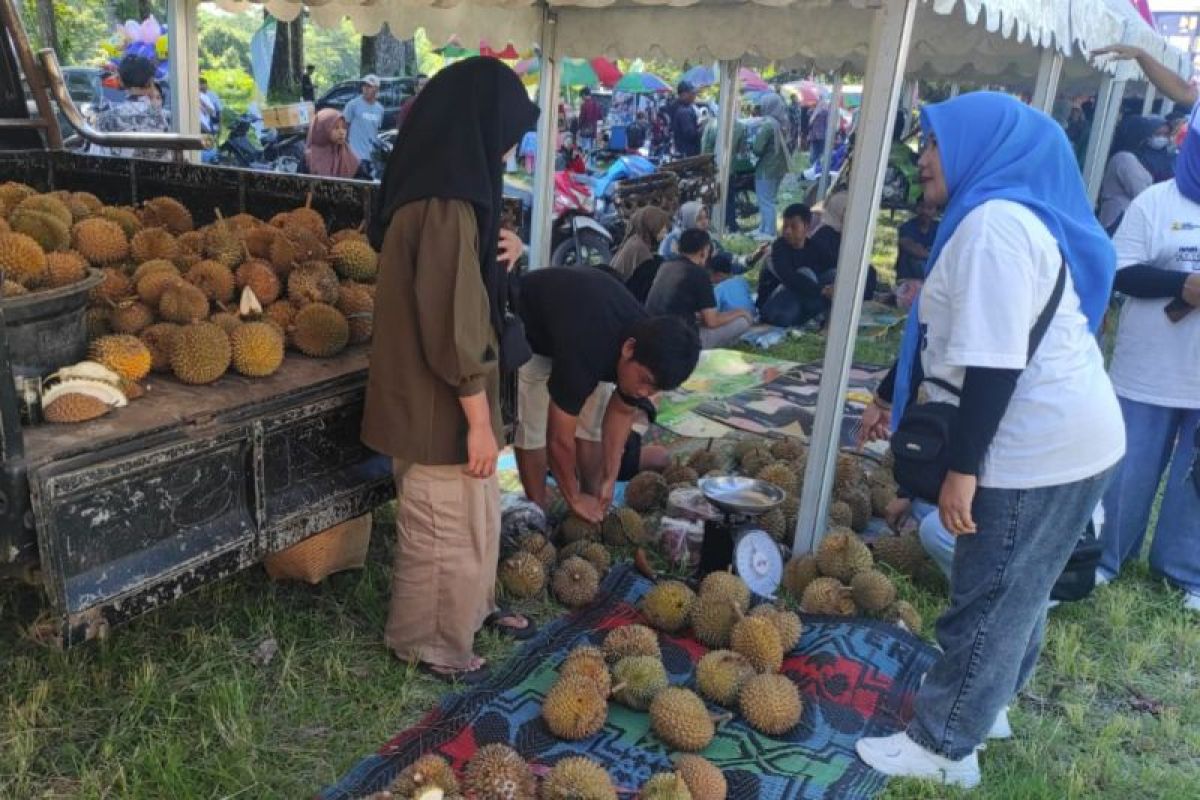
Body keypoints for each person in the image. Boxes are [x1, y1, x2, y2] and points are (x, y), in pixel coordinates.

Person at [855, 93, 1125, 789]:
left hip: (1035, 449)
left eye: (936, 145)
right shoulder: (998, 220)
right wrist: (891, 391)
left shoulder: (994, 228)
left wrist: (963, 470)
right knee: (1024, 590)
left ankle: (945, 744)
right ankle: (989, 704)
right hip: (1070, 441)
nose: (924, 161)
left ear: (981, 147)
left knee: (991, 592)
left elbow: (995, 361)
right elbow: (950, 339)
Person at [361, 58, 539, 684]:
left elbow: (472, 286)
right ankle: (430, 642)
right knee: (440, 523)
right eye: (509, 134)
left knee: (473, 512)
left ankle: (470, 610)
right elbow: (451, 324)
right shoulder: (442, 203)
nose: (512, 149)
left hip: (453, 394)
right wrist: (478, 418)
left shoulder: (449, 191)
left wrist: (511, 253)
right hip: (440, 396)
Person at [1097, 104, 1200, 614]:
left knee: (1196, 483)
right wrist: (1181, 284)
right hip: (1147, 372)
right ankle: (1106, 558)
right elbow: (1120, 272)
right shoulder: (1156, 202)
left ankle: (1185, 572)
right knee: (1127, 475)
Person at [513, 266, 701, 521]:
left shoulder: (646, 352)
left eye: (654, 389)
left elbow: (622, 411)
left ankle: (593, 498)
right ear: (628, 348)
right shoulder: (586, 353)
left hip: (584, 322)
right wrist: (573, 498)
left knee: (591, 428)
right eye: (645, 382)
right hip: (532, 330)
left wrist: (610, 479)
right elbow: (558, 439)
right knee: (533, 429)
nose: (644, 392)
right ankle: (538, 511)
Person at [646, 228, 753, 348]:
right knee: (742, 322)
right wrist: (741, 312)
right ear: (704, 251)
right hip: (680, 343)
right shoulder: (700, 274)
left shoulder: (665, 266)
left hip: (653, 335)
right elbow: (711, 322)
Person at [757, 204, 836, 328]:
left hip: (801, 300)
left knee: (833, 275)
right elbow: (790, 278)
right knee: (805, 273)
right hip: (775, 306)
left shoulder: (814, 247)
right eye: (785, 226)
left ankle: (825, 319)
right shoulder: (778, 248)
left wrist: (833, 287)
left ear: (806, 227)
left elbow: (832, 265)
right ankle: (814, 315)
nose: (787, 231)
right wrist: (822, 290)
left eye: (793, 227)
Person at [91, 54, 170, 161]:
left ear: (121, 82)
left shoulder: (104, 120)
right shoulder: (166, 120)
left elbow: (96, 159)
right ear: (151, 81)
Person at [1098, 115, 1169, 233]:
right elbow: (1141, 192)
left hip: (1121, 218)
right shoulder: (1125, 159)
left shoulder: (1131, 157)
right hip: (1119, 219)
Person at [752, 93, 791, 240]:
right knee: (770, 198)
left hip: (767, 168)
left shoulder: (768, 124)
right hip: (779, 167)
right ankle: (764, 227)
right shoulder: (782, 122)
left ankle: (768, 231)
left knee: (765, 199)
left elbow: (757, 147)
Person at [894, 195, 940, 310]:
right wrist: (930, 255)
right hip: (907, 278)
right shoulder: (907, 227)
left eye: (929, 208)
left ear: (936, 211)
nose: (925, 211)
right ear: (916, 208)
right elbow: (909, 246)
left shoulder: (939, 228)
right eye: (922, 207)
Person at [610, 206, 672, 281]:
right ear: (652, 226)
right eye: (663, 230)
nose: (665, 236)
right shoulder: (639, 248)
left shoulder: (635, 240)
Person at [304, 108, 359, 179]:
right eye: (336, 128)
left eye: (344, 128)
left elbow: (365, 184)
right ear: (322, 130)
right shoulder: (309, 158)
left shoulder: (349, 156)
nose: (342, 132)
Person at [343, 74, 385, 162]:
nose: (365, 88)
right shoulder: (353, 105)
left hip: (371, 157)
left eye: (369, 86)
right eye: (364, 85)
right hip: (354, 156)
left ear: (376, 89)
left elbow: (375, 131)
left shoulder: (380, 109)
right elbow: (344, 126)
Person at [672, 81, 701, 157]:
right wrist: (703, 128)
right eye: (692, 93)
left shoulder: (680, 108)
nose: (694, 96)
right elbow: (690, 135)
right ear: (683, 95)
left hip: (684, 154)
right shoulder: (684, 111)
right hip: (688, 157)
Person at [578, 87, 604, 153]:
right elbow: (600, 118)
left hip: (586, 132)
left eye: (581, 96)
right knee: (593, 152)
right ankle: (592, 163)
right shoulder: (597, 104)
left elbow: (581, 119)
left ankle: (587, 163)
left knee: (586, 153)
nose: (582, 98)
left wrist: (578, 127)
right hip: (595, 132)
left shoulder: (584, 105)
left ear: (584, 95)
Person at [809, 100, 830, 171]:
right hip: (822, 136)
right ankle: (817, 169)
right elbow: (827, 124)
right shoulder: (826, 113)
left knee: (814, 153)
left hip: (814, 136)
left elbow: (810, 124)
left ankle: (813, 168)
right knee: (820, 154)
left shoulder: (814, 112)